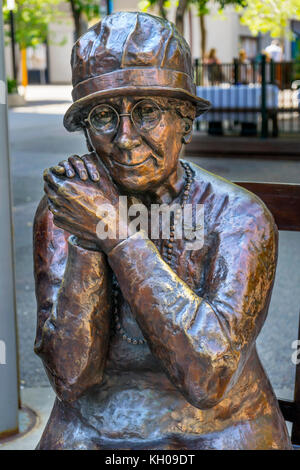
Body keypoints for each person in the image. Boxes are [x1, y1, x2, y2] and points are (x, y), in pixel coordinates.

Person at [33, 12, 291, 450]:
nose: (126, 138)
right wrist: (87, 240)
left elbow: (207, 378)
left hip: (221, 425)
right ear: (86, 131)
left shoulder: (239, 216)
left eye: (147, 111)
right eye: (103, 116)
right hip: (95, 421)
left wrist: (113, 230)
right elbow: (72, 378)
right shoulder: (68, 210)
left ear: (185, 118)